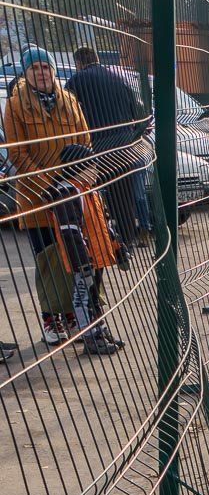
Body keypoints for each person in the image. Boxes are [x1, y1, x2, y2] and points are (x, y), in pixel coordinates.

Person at [4, 46, 124, 354]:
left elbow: (84, 142)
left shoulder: (70, 100)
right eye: (35, 69)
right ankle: (51, 319)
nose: (41, 73)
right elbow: (18, 153)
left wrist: (76, 179)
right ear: (26, 73)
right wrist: (49, 185)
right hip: (38, 198)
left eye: (45, 67)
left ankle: (75, 316)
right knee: (48, 260)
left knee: (76, 257)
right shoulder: (16, 106)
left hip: (73, 194)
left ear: (53, 71)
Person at [65, 46, 151, 248]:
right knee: (124, 195)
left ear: (78, 63)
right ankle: (126, 241)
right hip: (123, 149)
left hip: (95, 147)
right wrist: (131, 138)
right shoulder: (119, 78)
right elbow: (142, 116)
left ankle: (101, 240)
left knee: (94, 195)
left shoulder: (77, 81)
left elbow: (66, 111)